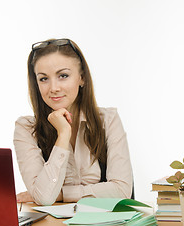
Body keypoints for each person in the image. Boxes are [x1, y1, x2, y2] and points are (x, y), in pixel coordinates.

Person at [14, 38, 133, 206]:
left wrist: (63, 194)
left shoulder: (108, 120)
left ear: (82, 78)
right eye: (43, 79)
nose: (53, 87)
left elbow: (122, 190)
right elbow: (44, 198)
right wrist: (63, 135)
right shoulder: (26, 128)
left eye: (63, 76)